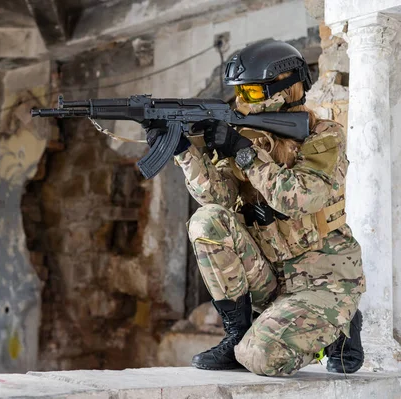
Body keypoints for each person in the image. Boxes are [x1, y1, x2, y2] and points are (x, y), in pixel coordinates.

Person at [147, 39, 365, 376]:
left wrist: (244, 152)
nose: (241, 102)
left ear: (287, 88)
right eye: (239, 93)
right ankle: (236, 335)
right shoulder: (246, 134)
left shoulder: (323, 136)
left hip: (324, 282)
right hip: (271, 279)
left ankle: (335, 334)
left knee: (261, 358)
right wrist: (182, 151)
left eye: (250, 93)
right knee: (206, 222)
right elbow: (217, 200)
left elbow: (300, 198)